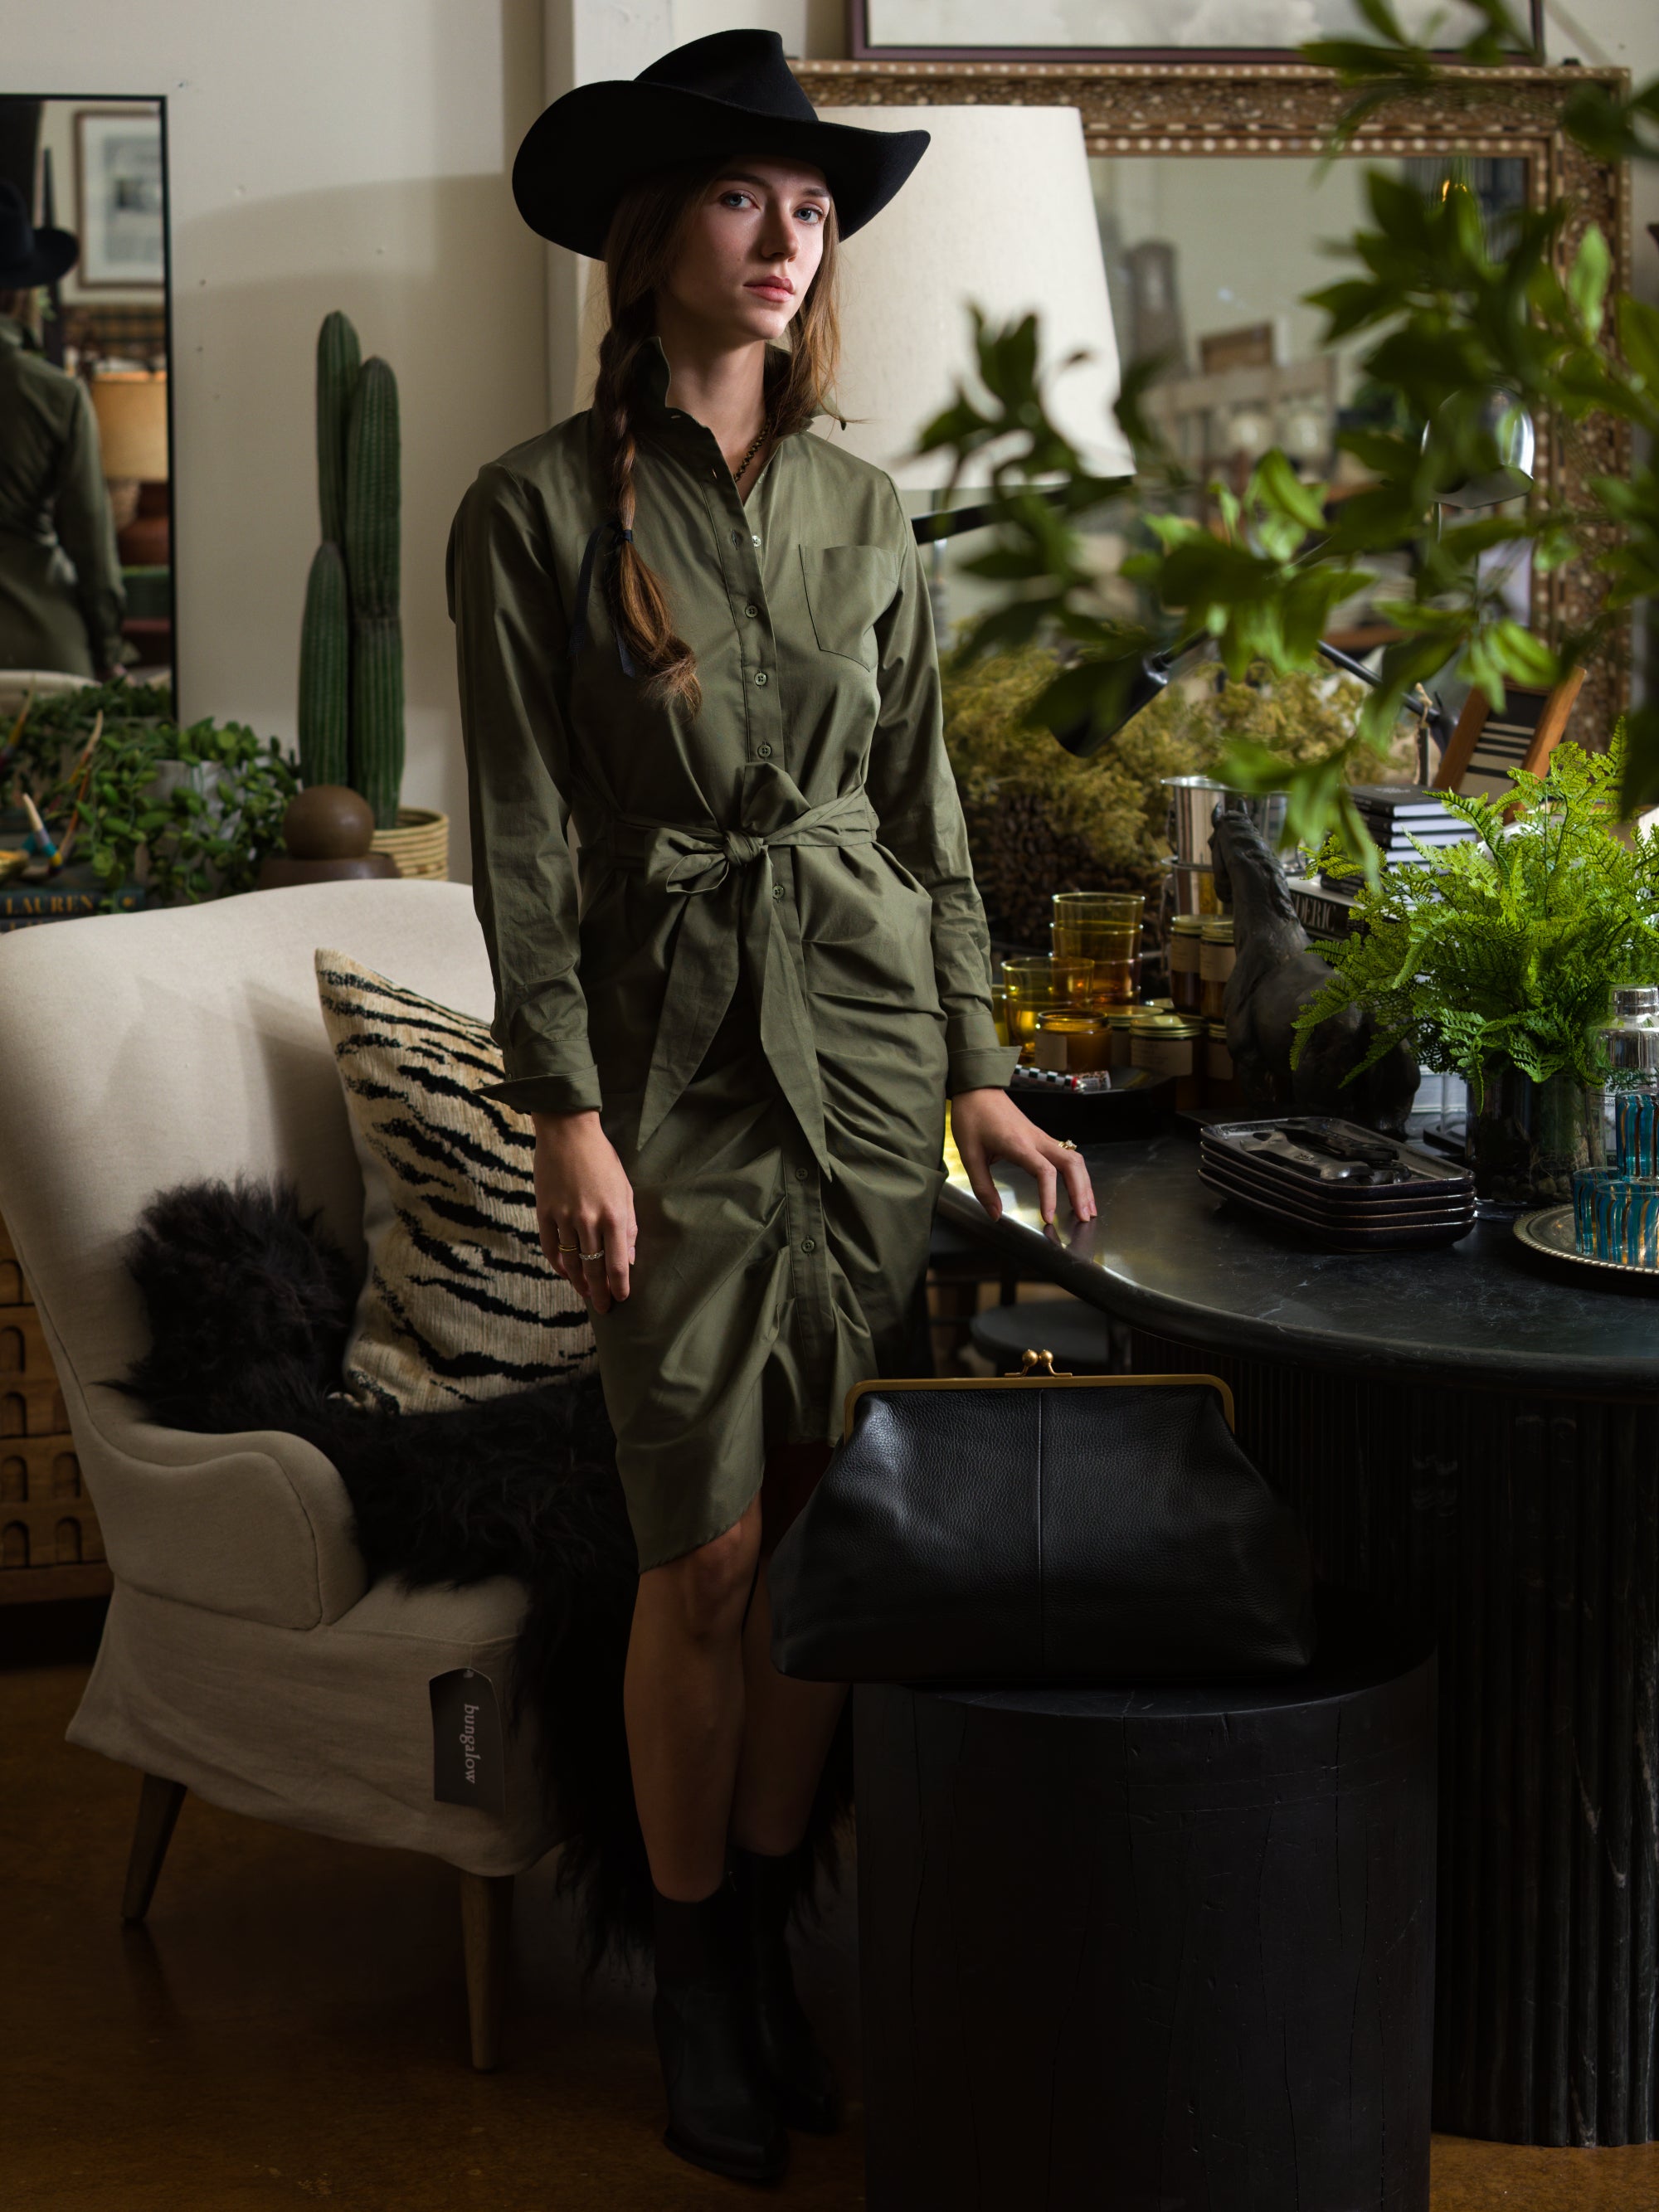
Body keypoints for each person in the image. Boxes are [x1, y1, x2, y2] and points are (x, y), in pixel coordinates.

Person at [448, 30, 1095, 2186]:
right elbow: (524, 841)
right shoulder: (533, 510)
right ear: (652, 239)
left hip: (868, 1072)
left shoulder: (866, 510)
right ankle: (697, 1977)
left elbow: (919, 816)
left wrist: (984, 1072)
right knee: (701, 1550)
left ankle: (775, 1950)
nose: (792, 237)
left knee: (823, 1540)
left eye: (814, 208)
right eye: (749, 198)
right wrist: (564, 1107)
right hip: (669, 1077)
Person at [0, 179, 125, 678]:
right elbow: (90, 542)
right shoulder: (58, 395)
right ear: (16, 294)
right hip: (42, 651)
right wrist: (110, 651)